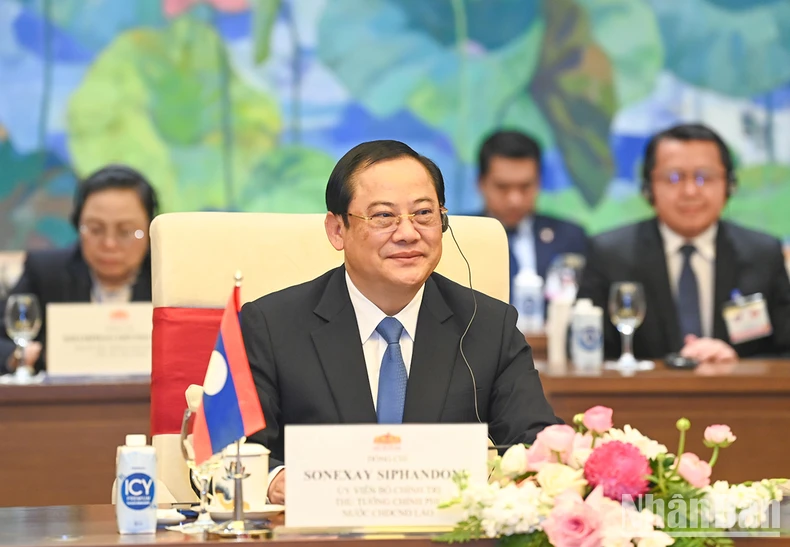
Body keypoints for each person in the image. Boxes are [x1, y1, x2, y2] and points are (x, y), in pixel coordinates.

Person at [241, 140, 561, 504]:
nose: (408, 233)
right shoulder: (271, 325)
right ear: (337, 230)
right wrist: (277, 480)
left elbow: (537, 443)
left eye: (423, 213)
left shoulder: (487, 325)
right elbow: (227, 453)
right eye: (383, 216)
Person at [577, 123, 790, 363]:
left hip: (738, 397)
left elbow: (784, 351)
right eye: (673, 177)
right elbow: (589, 351)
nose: (690, 191)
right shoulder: (610, 254)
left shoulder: (763, 253)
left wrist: (735, 363)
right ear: (648, 188)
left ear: (729, 185)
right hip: (644, 397)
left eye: (704, 177)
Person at [0, 165, 158, 374]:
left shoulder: (169, 279)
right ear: (77, 225)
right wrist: (16, 356)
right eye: (95, 229)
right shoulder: (46, 272)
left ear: (150, 230)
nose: (109, 243)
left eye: (126, 231)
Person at [476, 130, 587, 298]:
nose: (515, 200)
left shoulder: (569, 237)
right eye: (502, 187)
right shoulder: (457, 236)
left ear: (539, 182)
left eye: (525, 186)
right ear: (481, 184)